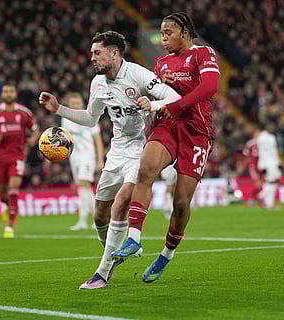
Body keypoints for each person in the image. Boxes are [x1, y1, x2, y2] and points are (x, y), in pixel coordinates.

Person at [39, 31, 181, 289]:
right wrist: (58, 109)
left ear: (114, 53)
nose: (92, 57)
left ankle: (102, 273)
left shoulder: (138, 74)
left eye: (97, 53)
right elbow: (91, 119)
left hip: (143, 148)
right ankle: (116, 254)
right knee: (100, 216)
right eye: (92, 53)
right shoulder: (98, 83)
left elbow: (173, 97)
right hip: (116, 153)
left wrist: (153, 104)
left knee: (121, 202)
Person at [111, 12, 220, 283]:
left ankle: (167, 254)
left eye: (168, 33)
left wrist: (176, 102)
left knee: (181, 202)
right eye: (161, 34)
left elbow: (210, 87)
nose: (163, 39)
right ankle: (134, 237)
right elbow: (158, 95)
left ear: (184, 32)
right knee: (146, 169)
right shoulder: (160, 63)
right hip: (167, 126)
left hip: (196, 132)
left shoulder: (202, 54)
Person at [0, 84, 39, 238]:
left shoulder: (24, 113)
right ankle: (10, 207)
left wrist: (33, 139)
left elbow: (35, 129)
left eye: (11, 91)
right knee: (1, 194)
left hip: (18, 156)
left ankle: (10, 226)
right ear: (2, 94)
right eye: (6, 92)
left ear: (15, 93)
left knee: (14, 188)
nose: (8, 94)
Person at [61, 92, 105, 231]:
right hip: (74, 158)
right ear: (69, 105)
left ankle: (84, 220)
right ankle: (95, 218)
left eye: (77, 102)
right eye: (72, 103)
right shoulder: (66, 119)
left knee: (84, 184)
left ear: (82, 103)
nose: (75, 105)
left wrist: (100, 159)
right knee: (83, 187)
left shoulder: (89, 116)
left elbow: (97, 139)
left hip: (87, 156)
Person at [257, 123, 282, 210]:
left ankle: (267, 200)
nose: (272, 127)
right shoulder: (271, 138)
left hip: (265, 162)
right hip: (271, 163)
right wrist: (278, 162)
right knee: (271, 182)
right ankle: (266, 201)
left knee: (271, 182)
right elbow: (273, 152)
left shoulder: (260, 137)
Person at [242, 127, 260, 207]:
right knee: (258, 183)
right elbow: (245, 154)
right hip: (253, 167)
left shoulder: (262, 142)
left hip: (262, 166)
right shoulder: (250, 143)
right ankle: (252, 200)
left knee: (262, 183)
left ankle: (257, 199)